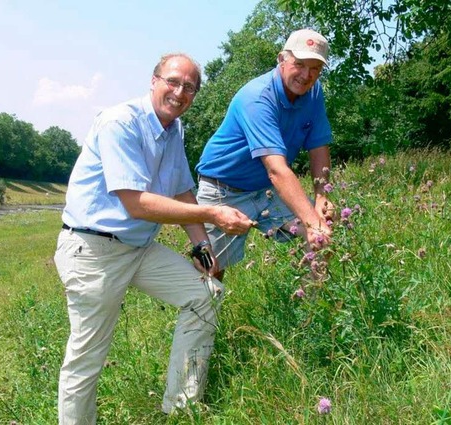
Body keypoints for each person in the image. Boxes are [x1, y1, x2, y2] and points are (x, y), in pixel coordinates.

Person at [53, 53, 254, 424]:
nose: (180, 92)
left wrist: (204, 248)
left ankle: (181, 409)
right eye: (173, 82)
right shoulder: (120, 123)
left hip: (138, 249)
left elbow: (181, 190)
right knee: (88, 358)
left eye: (189, 87)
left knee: (204, 294)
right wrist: (213, 214)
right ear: (153, 80)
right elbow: (137, 204)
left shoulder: (173, 129)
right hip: (93, 250)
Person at [195, 29, 334, 281]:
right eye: (299, 64)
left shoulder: (313, 93)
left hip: (267, 190)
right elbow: (277, 170)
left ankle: (314, 315)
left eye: (315, 69)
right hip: (224, 189)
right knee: (211, 272)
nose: (306, 75)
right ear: (282, 59)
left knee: (321, 241)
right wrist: (313, 221)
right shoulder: (257, 98)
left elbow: (319, 148)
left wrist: (321, 197)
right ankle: (204, 318)